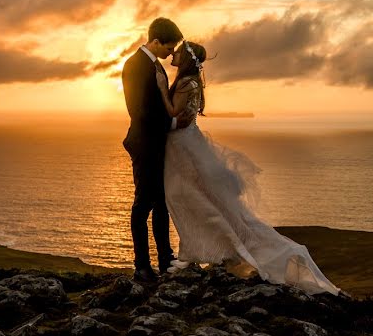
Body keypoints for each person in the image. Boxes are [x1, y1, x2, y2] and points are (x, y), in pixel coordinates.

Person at [155, 40, 343, 295]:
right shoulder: (190, 82)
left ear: (187, 59)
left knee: (189, 199)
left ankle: (206, 250)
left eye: (178, 52)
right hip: (182, 149)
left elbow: (177, 119)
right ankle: (193, 251)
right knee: (187, 199)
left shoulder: (187, 83)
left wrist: (162, 89)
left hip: (184, 149)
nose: (173, 54)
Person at [121, 17, 185, 283]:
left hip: (157, 144)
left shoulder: (155, 65)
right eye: (169, 47)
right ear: (156, 41)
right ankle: (142, 265)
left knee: (162, 203)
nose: (172, 53)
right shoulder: (135, 65)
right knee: (143, 204)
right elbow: (137, 111)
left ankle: (165, 258)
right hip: (145, 144)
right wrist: (172, 122)